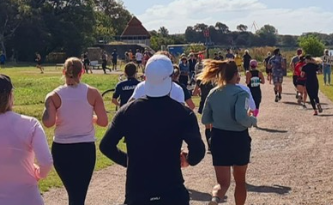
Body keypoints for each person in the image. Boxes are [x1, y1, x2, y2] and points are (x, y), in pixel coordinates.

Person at [100, 55, 206, 205]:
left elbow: (106, 146)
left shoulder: (127, 111)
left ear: (145, 77)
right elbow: (198, 151)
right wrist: (188, 159)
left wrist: (129, 161)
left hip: (137, 189)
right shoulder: (183, 113)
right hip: (172, 189)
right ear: (171, 77)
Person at [0, 74, 53, 205]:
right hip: (28, 199)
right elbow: (46, 162)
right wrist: (38, 173)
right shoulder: (31, 124)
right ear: (10, 95)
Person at [41, 57, 110, 205]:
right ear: (82, 72)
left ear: (63, 72)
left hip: (62, 148)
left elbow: (48, 123)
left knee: (74, 192)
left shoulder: (53, 95)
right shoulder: (93, 93)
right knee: (78, 194)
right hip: (85, 148)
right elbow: (104, 122)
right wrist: (91, 118)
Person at [199, 60, 258, 205]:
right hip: (238, 139)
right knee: (240, 181)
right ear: (236, 75)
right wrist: (252, 120)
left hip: (219, 137)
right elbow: (241, 117)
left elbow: (205, 119)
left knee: (222, 183)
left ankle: (215, 199)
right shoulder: (241, 93)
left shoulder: (213, 93)